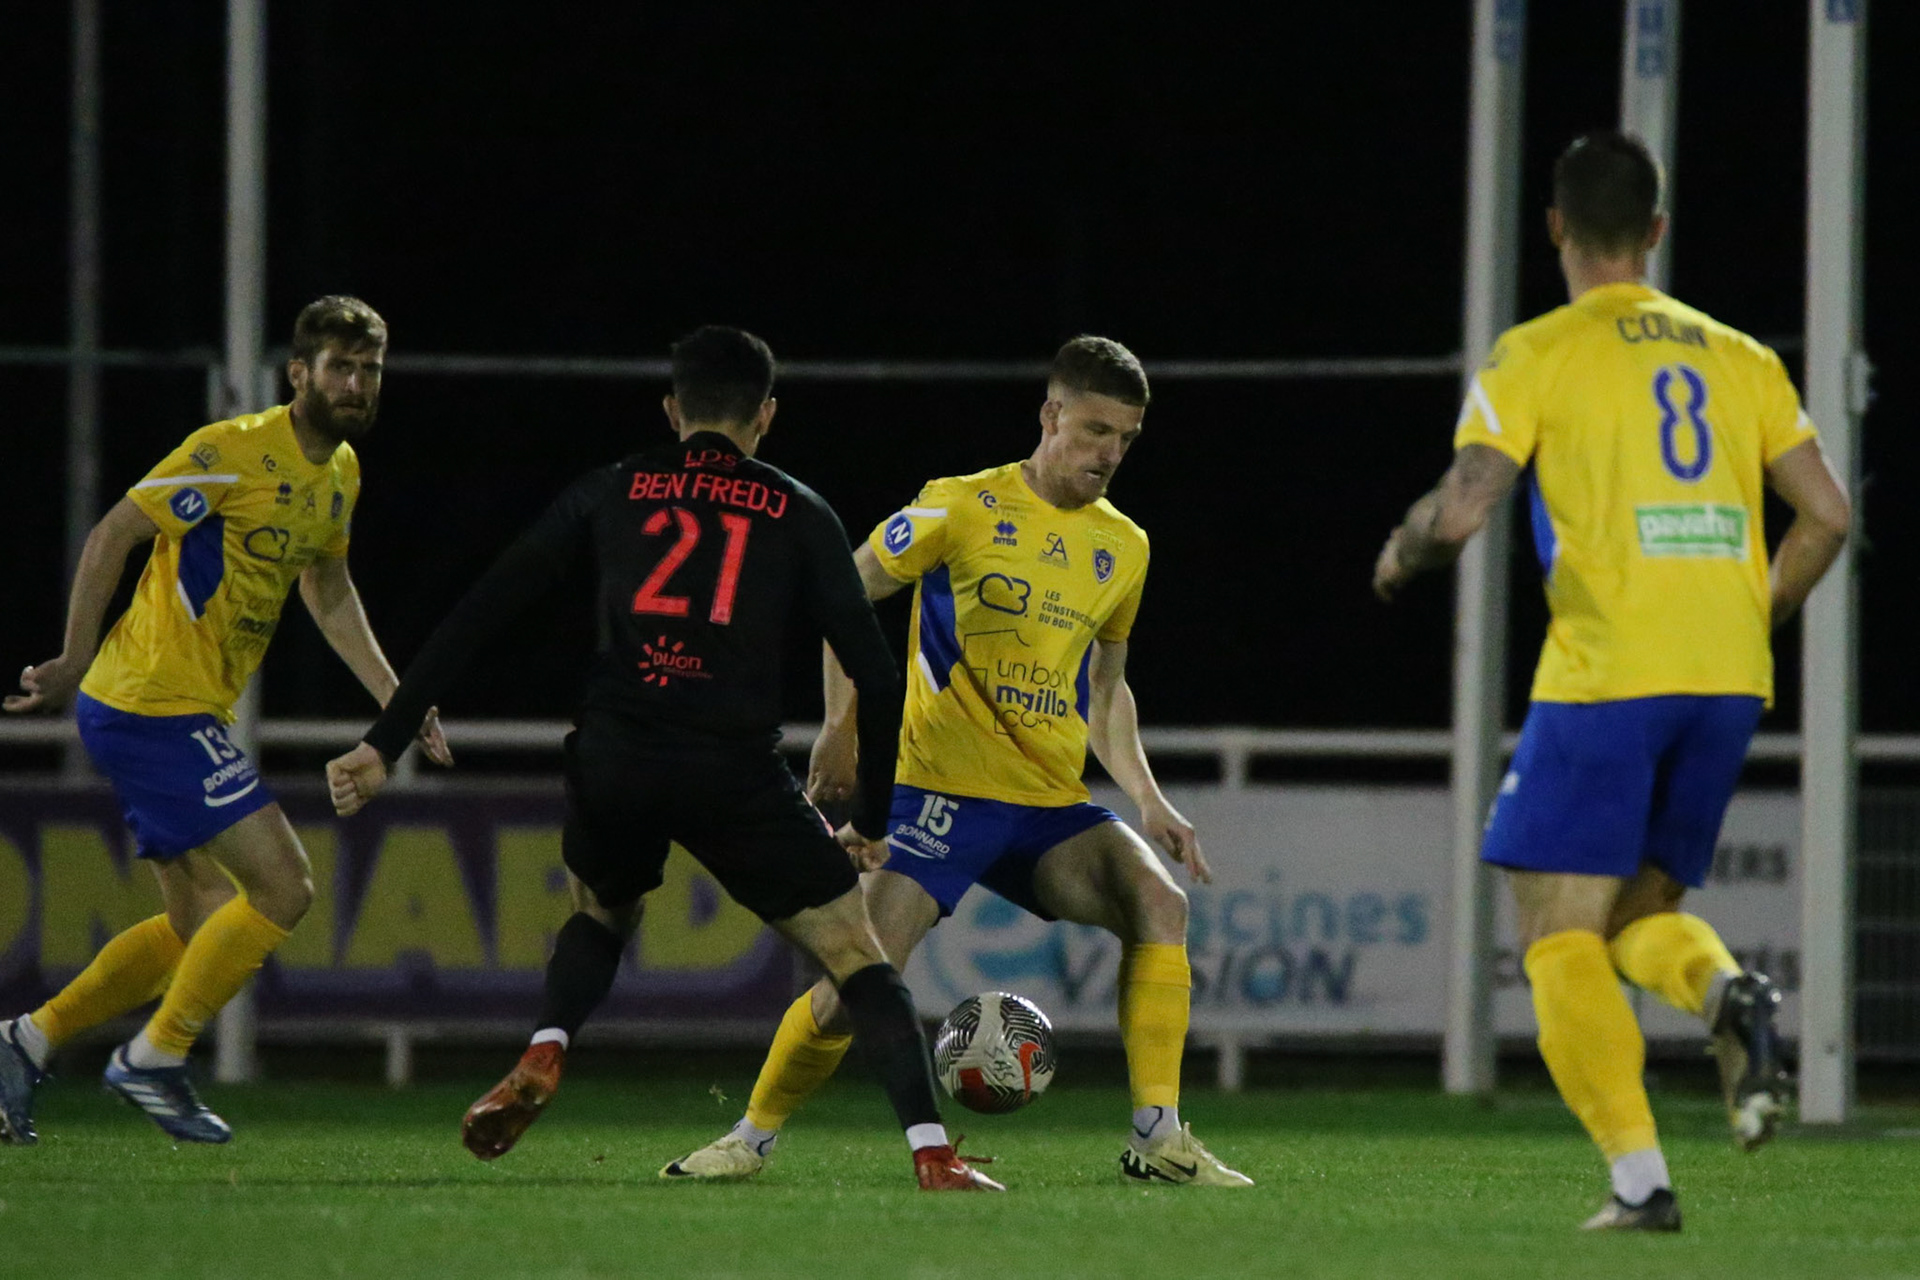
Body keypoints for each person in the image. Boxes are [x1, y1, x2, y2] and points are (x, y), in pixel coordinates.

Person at [324, 325, 997, 1191]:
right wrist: (869, 817)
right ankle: (933, 1154)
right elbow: (878, 673)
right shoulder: (797, 508)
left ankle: (547, 1046)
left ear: (674, 410)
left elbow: (482, 610)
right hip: (733, 770)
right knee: (857, 956)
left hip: (616, 755)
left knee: (602, 911)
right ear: (766, 415)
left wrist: (385, 741)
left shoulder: (610, 488)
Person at [1373, 133, 1852, 1232]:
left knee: (1554, 930)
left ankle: (1640, 1182)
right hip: (1728, 676)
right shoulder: (1741, 357)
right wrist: (1753, 612)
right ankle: (1725, 989)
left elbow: (1462, 509)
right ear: (1656, 230)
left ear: (1554, 226)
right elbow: (1828, 515)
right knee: (1639, 913)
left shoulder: (1537, 351)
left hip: (1609, 671)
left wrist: (1401, 551)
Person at [666, 335, 1250, 1188]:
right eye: (1095, 430)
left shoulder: (1124, 546)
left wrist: (1148, 798)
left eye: (1125, 438)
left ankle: (1157, 1139)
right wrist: (840, 726)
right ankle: (748, 1139)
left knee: (1159, 903)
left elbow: (1107, 690)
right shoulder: (961, 506)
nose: (1110, 453)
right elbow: (845, 594)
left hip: (1047, 804)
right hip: (940, 794)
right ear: (1051, 415)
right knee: (854, 979)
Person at [0, 296, 450, 1146]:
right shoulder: (231, 450)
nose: (356, 385)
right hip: (149, 700)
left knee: (196, 920)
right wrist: (71, 657)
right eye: (341, 368)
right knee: (285, 886)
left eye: (370, 370)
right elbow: (112, 535)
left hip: (175, 707)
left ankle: (25, 1041)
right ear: (299, 374)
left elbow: (329, 590)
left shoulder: (341, 473)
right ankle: (156, 1056)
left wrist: (397, 699)